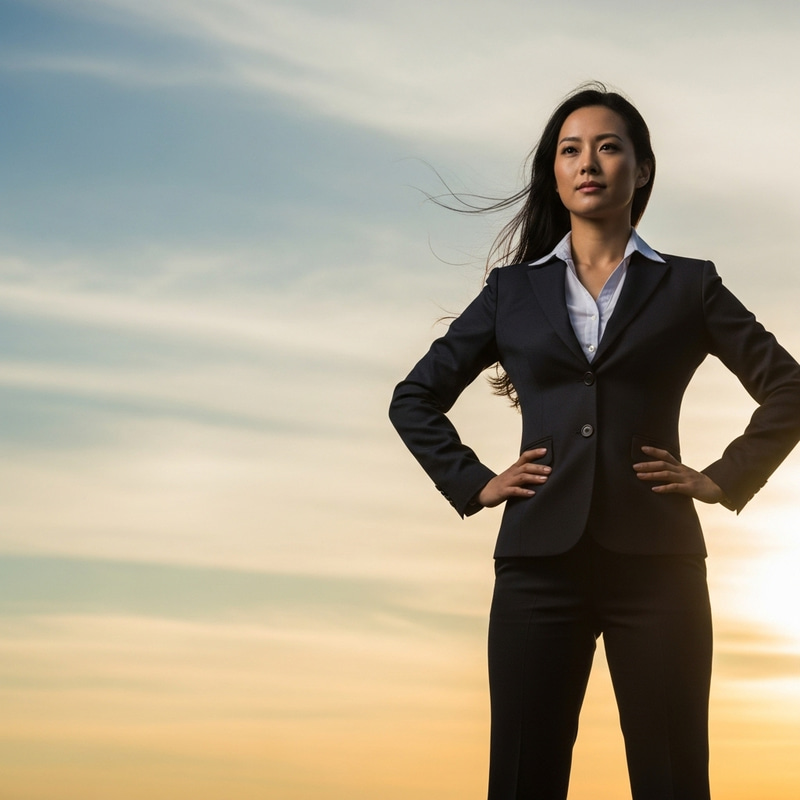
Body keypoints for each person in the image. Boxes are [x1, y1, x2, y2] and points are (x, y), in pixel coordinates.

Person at [388, 83, 800, 800]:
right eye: (570, 149)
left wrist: (723, 477)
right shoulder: (511, 292)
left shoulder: (689, 286)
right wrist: (475, 482)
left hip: (660, 567)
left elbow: (789, 388)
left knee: (673, 779)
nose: (589, 163)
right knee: (522, 778)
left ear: (640, 170)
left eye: (609, 147)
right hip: (536, 569)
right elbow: (413, 397)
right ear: (554, 171)